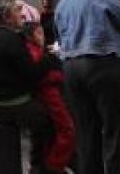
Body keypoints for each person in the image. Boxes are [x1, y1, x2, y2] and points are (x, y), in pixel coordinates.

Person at [55, 0, 120, 174]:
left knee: (86, 130)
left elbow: (60, 37)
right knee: (115, 129)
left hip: (71, 66)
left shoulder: (63, 1)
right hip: (103, 63)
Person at [0, 0, 54, 172]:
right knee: (49, 119)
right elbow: (32, 74)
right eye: (17, 11)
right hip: (9, 103)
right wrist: (47, 55)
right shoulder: (12, 39)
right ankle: (40, 166)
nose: (22, 14)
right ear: (8, 17)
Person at [22, 21, 75, 173]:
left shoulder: (33, 50)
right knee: (66, 129)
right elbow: (44, 76)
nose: (43, 37)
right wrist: (59, 74)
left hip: (44, 95)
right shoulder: (36, 53)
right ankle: (54, 165)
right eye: (39, 33)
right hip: (49, 94)